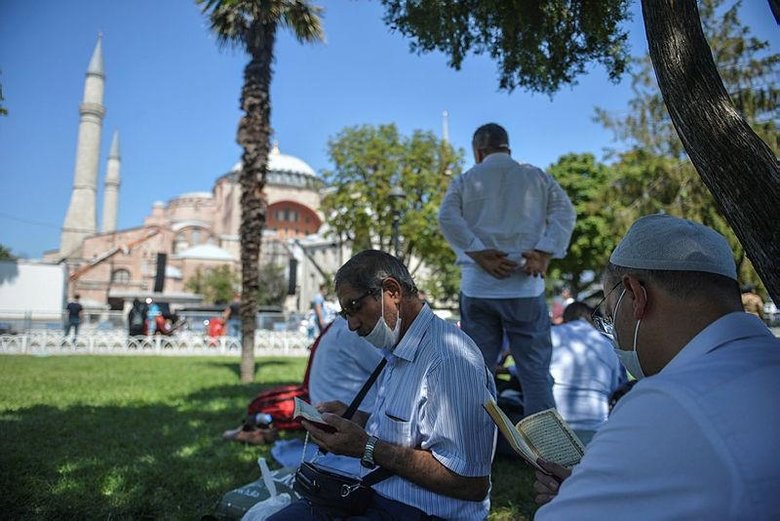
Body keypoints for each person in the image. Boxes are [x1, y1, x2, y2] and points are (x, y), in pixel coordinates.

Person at [533, 214, 780, 519]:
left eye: (609, 313)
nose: (613, 329)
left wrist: (565, 503)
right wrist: (594, 489)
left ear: (636, 294)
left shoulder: (666, 402)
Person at [269, 250, 497, 521]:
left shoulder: (448, 360)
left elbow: (470, 483)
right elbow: (408, 433)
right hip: (378, 496)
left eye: (355, 307)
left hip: (423, 512)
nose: (352, 324)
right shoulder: (398, 346)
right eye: (345, 313)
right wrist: (359, 419)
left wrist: (367, 447)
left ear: (392, 291)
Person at [439, 122, 576, 416]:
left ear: (478, 151)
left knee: (477, 371)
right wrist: (543, 251)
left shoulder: (464, 180)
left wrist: (477, 252)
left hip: (478, 288)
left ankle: (473, 444)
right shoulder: (536, 177)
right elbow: (565, 211)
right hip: (525, 286)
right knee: (535, 371)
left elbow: (447, 217)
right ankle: (545, 450)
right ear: (507, 148)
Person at [549, 301, 626, 445]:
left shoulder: (552, 335)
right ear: (589, 317)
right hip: (596, 429)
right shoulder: (607, 345)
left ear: (565, 318)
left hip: (554, 426)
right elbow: (615, 389)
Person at [308, 316, 384, 407]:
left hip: (325, 408)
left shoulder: (337, 326)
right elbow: (393, 369)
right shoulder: (354, 331)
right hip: (342, 415)